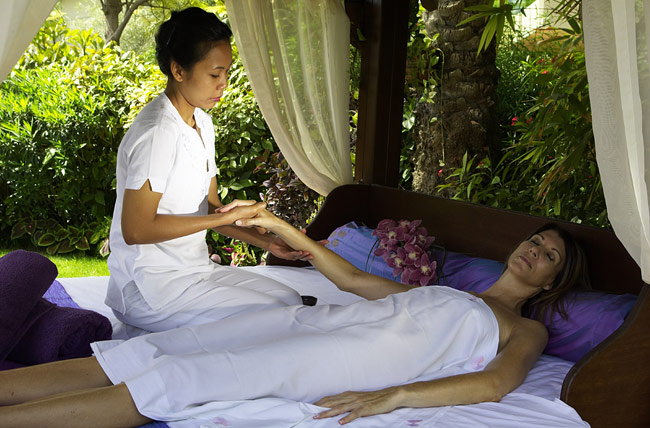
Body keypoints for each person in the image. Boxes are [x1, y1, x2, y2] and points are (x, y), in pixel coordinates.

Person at [0, 209, 590, 428]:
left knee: (185, 379)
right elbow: (355, 282)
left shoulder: (525, 329)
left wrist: (394, 397)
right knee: (162, 349)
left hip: (353, 357)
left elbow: (495, 384)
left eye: (550, 256)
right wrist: (286, 231)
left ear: (551, 282)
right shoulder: (442, 290)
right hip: (322, 322)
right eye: (536, 241)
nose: (535, 251)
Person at [105, 7, 309, 333]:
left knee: (289, 299)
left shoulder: (202, 123)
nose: (223, 84)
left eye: (226, 73)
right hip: (150, 288)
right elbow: (136, 230)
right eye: (215, 75)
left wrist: (269, 243)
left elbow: (213, 208)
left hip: (194, 270)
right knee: (277, 314)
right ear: (178, 70)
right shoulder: (157, 133)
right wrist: (224, 218)